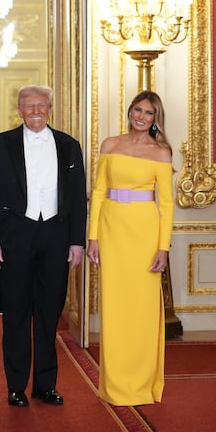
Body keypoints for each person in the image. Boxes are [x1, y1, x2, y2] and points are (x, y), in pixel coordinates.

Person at [0, 85, 87, 407]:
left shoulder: (69, 145)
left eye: (41, 105)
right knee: (15, 315)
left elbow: (78, 198)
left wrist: (76, 241)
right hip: (15, 237)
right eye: (29, 105)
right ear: (19, 110)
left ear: (50, 108)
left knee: (48, 315)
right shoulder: (1, 144)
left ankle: (45, 384)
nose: (35, 110)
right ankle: (16, 387)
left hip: (56, 237)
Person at [86, 90, 173, 406]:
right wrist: (92, 236)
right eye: (137, 110)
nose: (141, 116)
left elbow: (166, 203)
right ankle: (113, 386)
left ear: (155, 119)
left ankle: (141, 384)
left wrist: (163, 248)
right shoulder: (110, 144)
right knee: (115, 307)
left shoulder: (161, 153)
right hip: (111, 230)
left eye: (148, 113)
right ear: (129, 111)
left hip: (144, 234)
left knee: (143, 309)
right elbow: (97, 192)